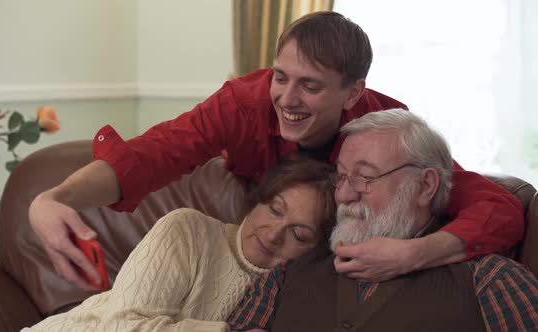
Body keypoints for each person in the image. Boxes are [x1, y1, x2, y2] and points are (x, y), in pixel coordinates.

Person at [28, 10, 523, 326]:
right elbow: (150, 155)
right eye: (280, 77)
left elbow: (495, 204)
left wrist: (414, 253)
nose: (286, 98)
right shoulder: (244, 104)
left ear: (351, 93)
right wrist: (55, 199)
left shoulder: (384, 132)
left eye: (309, 85)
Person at [271, 109, 538, 332]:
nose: (343, 195)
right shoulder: (286, 272)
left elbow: (500, 209)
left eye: (365, 177)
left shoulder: (491, 280)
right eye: (341, 176)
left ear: (425, 187)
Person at [23, 158, 336, 332]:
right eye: (275, 209)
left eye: (299, 235)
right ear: (257, 202)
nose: (273, 234)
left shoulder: (284, 294)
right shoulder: (188, 230)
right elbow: (122, 327)